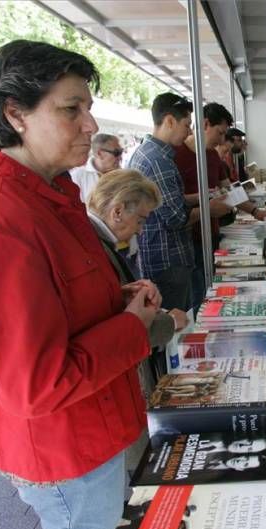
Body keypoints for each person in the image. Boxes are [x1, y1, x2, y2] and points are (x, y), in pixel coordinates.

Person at [0, 40, 160, 529]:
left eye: (89, 107)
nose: (91, 124)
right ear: (15, 114)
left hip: (87, 432)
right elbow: (35, 383)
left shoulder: (47, 194)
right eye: (70, 109)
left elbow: (55, 302)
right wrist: (131, 326)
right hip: (62, 448)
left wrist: (113, 301)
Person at [85, 168, 189, 482]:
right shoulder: (96, 247)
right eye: (141, 220)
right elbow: (119, 320)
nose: (142, 230)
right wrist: (170, 321)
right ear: (117, 211)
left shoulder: (95, 242)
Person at [127, 93, 198, 313]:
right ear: (169, 121)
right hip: (169, 260)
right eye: (186, 125)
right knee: (176, 324)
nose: (189, 132)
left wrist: (198, 197)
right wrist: (207, 210)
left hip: (154, 256)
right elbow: (176, 218)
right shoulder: (159, 162)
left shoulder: (145, 153)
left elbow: (163, 203)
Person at [174, 102, 240, 314]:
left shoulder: (212, 156)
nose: (222, 141)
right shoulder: (175, 155)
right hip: (185, 239)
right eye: (220, 133)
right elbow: (171, 201)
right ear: (204, 124)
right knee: (195, 296)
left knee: (209, 289)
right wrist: (206, 199)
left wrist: (256, 210)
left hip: (211, 234)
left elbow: (230, 190)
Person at [70, 132, 123, 203]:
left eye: (121, 152)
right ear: (100, 154)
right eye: (117, 153)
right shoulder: (77, 177)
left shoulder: (123, 176)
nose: (120, 158)